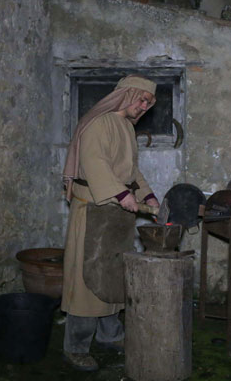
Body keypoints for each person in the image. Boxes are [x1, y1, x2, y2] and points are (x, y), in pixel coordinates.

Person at [60, 75, 160, 371]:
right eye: (141, 99)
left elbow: (131, 171)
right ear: (125, 95)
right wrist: (121, 195)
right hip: (93, 211)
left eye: (149, 103)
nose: (144, 106)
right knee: (86, 280)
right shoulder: (98, 124)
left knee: (113, 276)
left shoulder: (126, 127)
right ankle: (76, 347)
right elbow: (95, 164)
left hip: (115, 215)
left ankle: (110, 335)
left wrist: (148, 196)